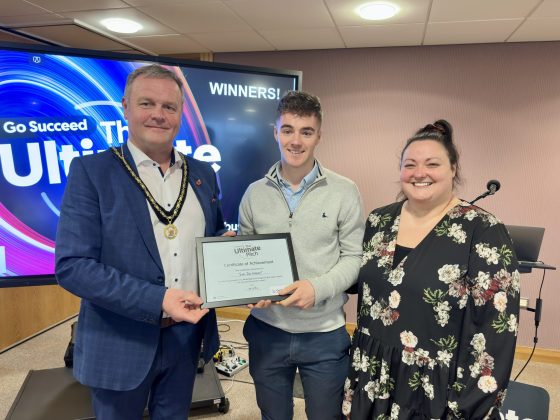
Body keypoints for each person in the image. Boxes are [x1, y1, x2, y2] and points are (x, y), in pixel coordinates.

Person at [56, 64, 233, 419]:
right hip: (120, 341)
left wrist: (234, 254)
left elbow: (212, 239)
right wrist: (160, 300)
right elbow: (73, 268)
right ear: (125, 107)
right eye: (146, 103)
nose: (158, 115)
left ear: (180, 114)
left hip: (186, 338)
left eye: (169, 107)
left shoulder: (201, 174)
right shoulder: (92, 172)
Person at [343, 120, 520, 419]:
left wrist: (468, 406)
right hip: (370, 373)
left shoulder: (484, 230)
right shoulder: (379, 221)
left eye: (432, 163)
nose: (419, 173)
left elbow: (496, 332)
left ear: (453, 169)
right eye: (409, 164)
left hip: (433, 390)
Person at [238, 90, 365, 420]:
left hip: (323, 333)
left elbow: (354, 258)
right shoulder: (254, 193)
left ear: (319, 136)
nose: (296, 141)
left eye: (306, 132)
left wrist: (317, 288)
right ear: (275, 132)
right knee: (273, 416)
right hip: (267, 330)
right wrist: (248, 290)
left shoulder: (344, 190)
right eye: (288, 130)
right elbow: (245, 257)